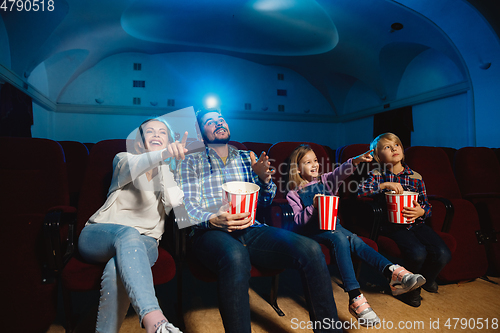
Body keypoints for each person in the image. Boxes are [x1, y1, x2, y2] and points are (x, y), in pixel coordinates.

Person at [176, 108, 342, 333]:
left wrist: (264, 180)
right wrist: (213, 220)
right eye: (210, 122)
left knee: (312, 249)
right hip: (209, 233)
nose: (218, 123)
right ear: (200, 131)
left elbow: (265, 201)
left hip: (251, 228)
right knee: (236, 256)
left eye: (221, 119)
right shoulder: (190, 161)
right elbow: (184, 209)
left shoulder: (247, 157)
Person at [285, 144, 426, 326]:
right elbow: (297, 222)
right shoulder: (293, 193)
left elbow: (341, 171)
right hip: (314, 233)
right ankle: (355, 296)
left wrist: (356, 160)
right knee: (340, 238)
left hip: (335, 226)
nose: (314, 165)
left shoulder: (326, 180)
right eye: (307, 162)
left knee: (356, 240)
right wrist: (313, 207)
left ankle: (393, 272)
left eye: (315, 161)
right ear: (297, 168)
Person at [78, 118, 187, 333]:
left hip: (146, 241)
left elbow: (178, 208)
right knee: (128, 233)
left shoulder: (169, 175)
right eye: (150, 131)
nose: (156, 134)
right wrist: (164, 154)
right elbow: (136, 165)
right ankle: (155, 321)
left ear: (170, 141)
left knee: (115, 268)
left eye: (162, 132)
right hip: (99, 234)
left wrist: (176, 169)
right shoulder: (124, 159)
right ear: (140, 142)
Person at [358, 132, 452, 307]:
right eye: (387, 147)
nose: (394, 148)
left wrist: (421, 212)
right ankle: (409, 288)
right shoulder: (378, 174)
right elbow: (361, 191)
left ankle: (427, 278)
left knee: (443, 254)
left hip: (416, 224)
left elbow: (427, 206)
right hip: (392, 226)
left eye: (397, 145)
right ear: (378, 156)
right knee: (417, 253)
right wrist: (383, 186)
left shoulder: (415, 177)